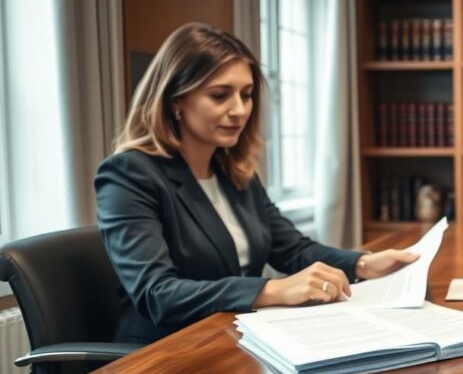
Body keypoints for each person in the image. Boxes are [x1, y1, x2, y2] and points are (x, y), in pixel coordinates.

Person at [96, 22, 419, 344]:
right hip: (165, 355)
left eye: (247, 95)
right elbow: (157, 293)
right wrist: (272, 289)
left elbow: (292, 250)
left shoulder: (234, 173)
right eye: (220, 95)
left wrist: (363, 264)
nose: (239, 110)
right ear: (175, 100)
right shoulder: (128, 174)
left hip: (233, 340)